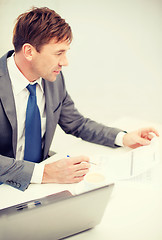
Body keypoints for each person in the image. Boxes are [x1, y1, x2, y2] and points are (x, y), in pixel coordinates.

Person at [0, 7, 159, 191]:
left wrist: (124, 138)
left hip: (37, 184)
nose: (65, 62)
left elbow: (77, 123)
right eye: (58, 53)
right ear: (29, 51)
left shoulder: (52, 78)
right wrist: (44, 173)